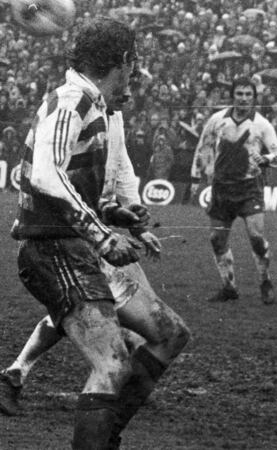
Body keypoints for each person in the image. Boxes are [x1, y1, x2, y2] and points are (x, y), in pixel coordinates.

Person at [6, 18, 188, 449]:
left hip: (74, 246)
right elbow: (47, 178)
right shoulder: (72, 101)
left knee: (171, 335)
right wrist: (103, 236)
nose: (136, 72)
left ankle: (104, 439)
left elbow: (69, 182)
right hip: (52, 249)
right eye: (134, 61)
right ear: (122, 61)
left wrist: (115, 214)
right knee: (111, 362)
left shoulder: (94, 105)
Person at [190, 77, 277, 304]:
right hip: (222, 188)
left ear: (254, 98)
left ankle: (265, 280)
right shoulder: (217, 119)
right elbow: (202, 147)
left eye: (248, 95)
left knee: (256, 237)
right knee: (217, 239)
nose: (244, 98)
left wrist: (266, 159)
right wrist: (196, 176)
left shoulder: (262, 124)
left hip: (249, 187)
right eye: (240, 94)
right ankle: (229, 287)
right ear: (233, 96)